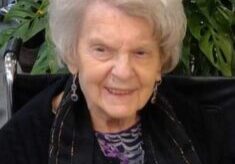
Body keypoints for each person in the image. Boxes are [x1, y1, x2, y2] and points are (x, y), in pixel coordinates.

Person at [0, 0, 208, 164]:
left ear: (160, 63)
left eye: (140, 52)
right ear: (73, 56)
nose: (123, 72)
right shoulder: (20, 144)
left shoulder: (199, 128)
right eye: (102, 50)